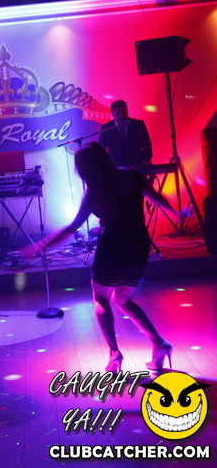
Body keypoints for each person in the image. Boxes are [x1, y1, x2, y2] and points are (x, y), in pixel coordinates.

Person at [30, 142, 176, 375]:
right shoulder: (134, 174)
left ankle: (114, 354)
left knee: (101, 299)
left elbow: (73, 227)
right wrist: (178, 213)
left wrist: (41, 245)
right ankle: (159, 343)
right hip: (138, 246)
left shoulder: (95, 192)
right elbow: (158, 198)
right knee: (122, 299)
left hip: (112, 248)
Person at [99, 99, 152, 169]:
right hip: (115, 168)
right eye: (118, 114)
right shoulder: (106, 128)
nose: (122, 116)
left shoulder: (139, 125)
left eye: (124, 113)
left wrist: (146, 160)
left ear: (127, 111)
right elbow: (101, 149)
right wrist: (106, 164)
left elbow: (147, 145)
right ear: (112, 114)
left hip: (137, 167)